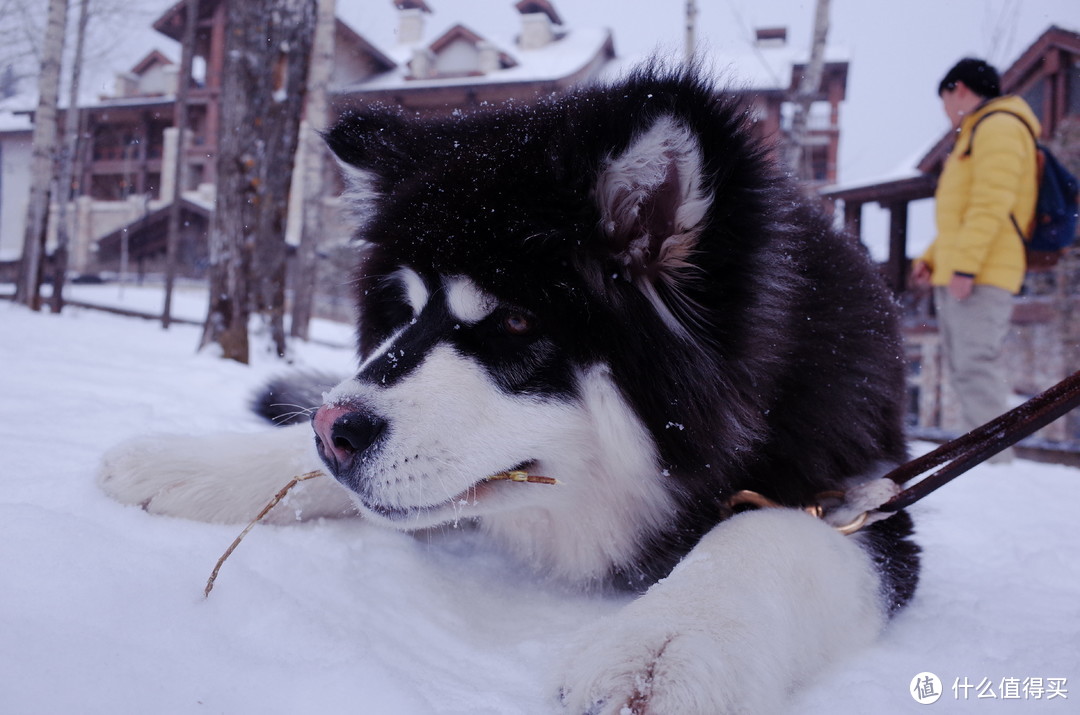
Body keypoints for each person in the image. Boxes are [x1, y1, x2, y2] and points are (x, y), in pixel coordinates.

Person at [910, 58, 1040, 459]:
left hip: (983, 271)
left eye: (946, 100)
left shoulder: (998, 128)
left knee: (976, 366)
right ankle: (984, 457)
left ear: (959, 88)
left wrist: (965, 266)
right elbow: (962, 217)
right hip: (968, 267)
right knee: (967, 368)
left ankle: (996, 462)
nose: (947, 112)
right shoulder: (980, 130)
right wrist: (932, 257)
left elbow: (991, 205)